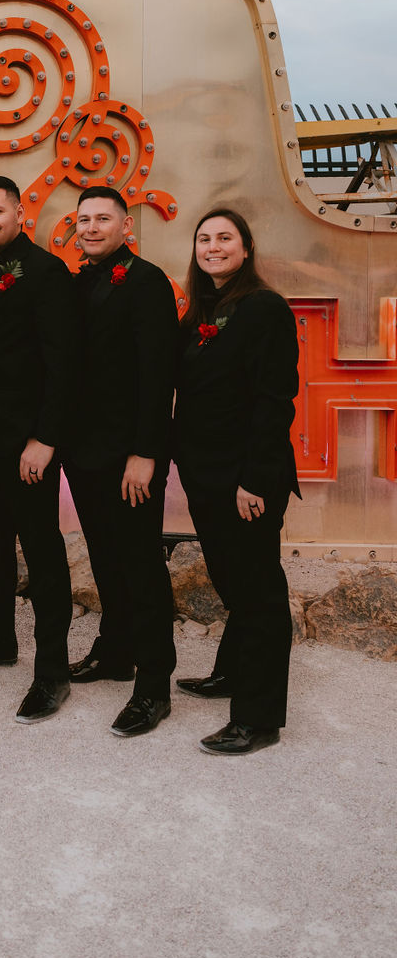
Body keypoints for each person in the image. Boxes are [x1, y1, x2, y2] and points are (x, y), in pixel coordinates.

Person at [173, 208, 300, 755]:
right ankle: (231, 672)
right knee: (233, 581)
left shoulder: (264, 308)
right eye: (204, 239)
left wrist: (256, 479)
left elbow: (275, 399)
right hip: (206, 475)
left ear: (245, 248)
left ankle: (258, 717)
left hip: (247, 479)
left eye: (225, 238)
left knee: (259, 593)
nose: (213, 247)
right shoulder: (204, 308)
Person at [0, 176, 78, 722]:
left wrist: (45, 439)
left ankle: (52, 670)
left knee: (43, 552)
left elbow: (63, 366)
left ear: (19, 212)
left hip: (28, 444)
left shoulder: (49, 274)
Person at [62, 187, 178, 736]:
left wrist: (146, 453)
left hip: (131, 457)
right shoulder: (81, 280)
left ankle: (154, 686)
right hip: (85, 453)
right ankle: (115, 653)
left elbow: (159, 375)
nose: (90, 228)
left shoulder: (147, 281)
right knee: (107, 558)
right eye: (83, 219)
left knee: (141, 565)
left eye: (101, 219)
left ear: (124, 225)